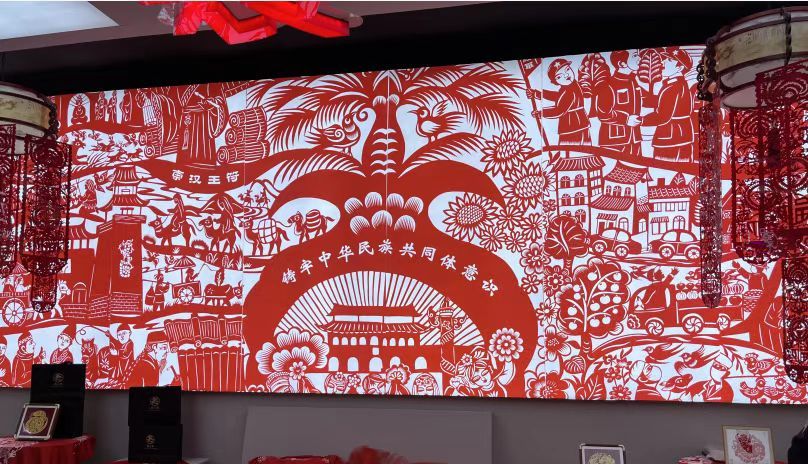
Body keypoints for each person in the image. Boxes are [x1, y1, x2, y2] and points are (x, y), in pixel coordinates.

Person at [639, 47, 695, 162]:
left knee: (664, 168)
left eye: (669, 60)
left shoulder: (672, 87)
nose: (663, 63)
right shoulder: (678, 84)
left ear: (679, 67)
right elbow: (663, 102)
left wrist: (641, 120)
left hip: (670, 139)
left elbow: (662, 116)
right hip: (681, 137)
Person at [592, 50, 644, 156]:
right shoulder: (608, 85)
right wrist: (625, 119)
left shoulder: (633, 81)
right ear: (622, 64)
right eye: (635, 56)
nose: (639, 58)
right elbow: (603, 113)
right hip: (614, 141)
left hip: (634, 139)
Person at [535, 58, 592, 145]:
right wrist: (538, 94)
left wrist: (541, 113)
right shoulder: (569, 86)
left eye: (567, 69)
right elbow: (559, 97)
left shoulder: (570, 90)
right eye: (559, 76)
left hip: (573, 127)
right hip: (575, 126)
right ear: (555, 81)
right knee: (575, 150)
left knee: (572, 151)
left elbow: (559, 110)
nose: (566, 75)